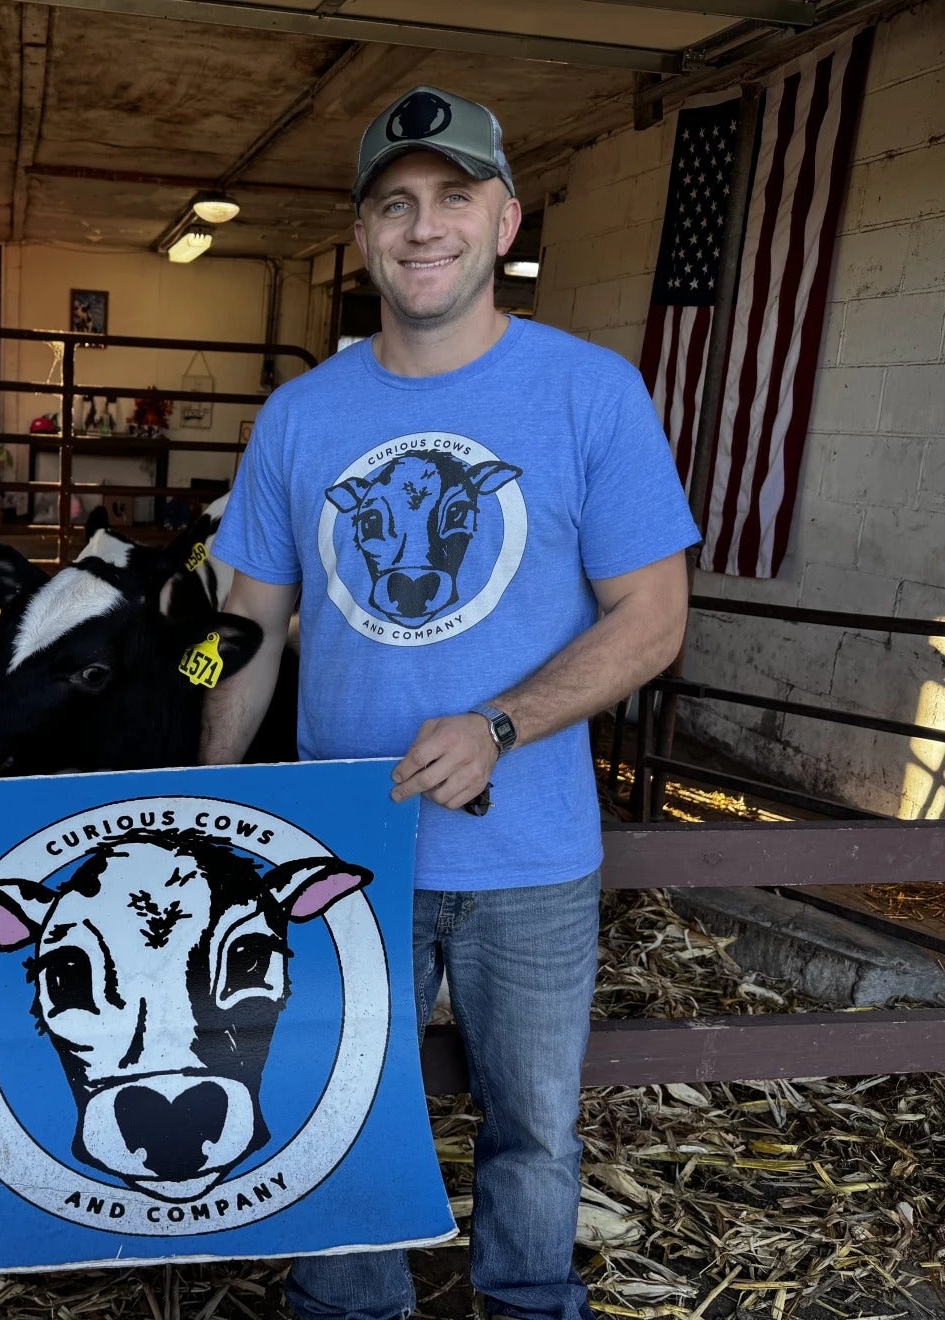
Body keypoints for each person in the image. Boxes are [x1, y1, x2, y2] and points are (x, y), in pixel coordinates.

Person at [201, 86, 699, 1320]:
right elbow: (236, 631)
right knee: (338, 1107)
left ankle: (526, 1301)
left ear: (503, 219)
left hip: (528, 856)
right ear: (362, 236)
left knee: (530, 1126)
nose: (423, 227)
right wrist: (193, 768)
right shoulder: (300, 417)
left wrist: (499, 726)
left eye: (452, 199)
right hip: (347, 849)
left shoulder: (590, 395)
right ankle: (348, 1306)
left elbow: (653, 616)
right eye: (393, 205)